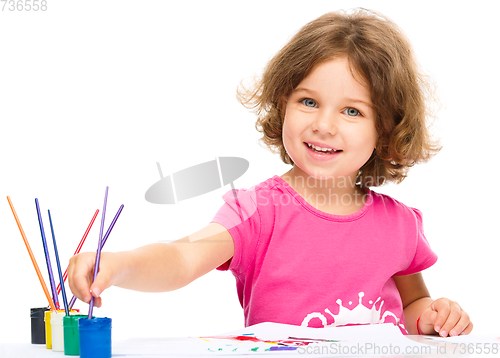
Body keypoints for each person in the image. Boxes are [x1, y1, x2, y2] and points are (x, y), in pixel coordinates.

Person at [68, 8, 472, 337]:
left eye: (352, 111)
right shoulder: (256, 210)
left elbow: (414, 305)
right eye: (309, 101)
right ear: (283, 105)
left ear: (386, 130)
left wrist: (435, 316)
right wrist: (119, 265)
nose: (324, 125)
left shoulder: (400, 224)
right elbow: (181, 256)